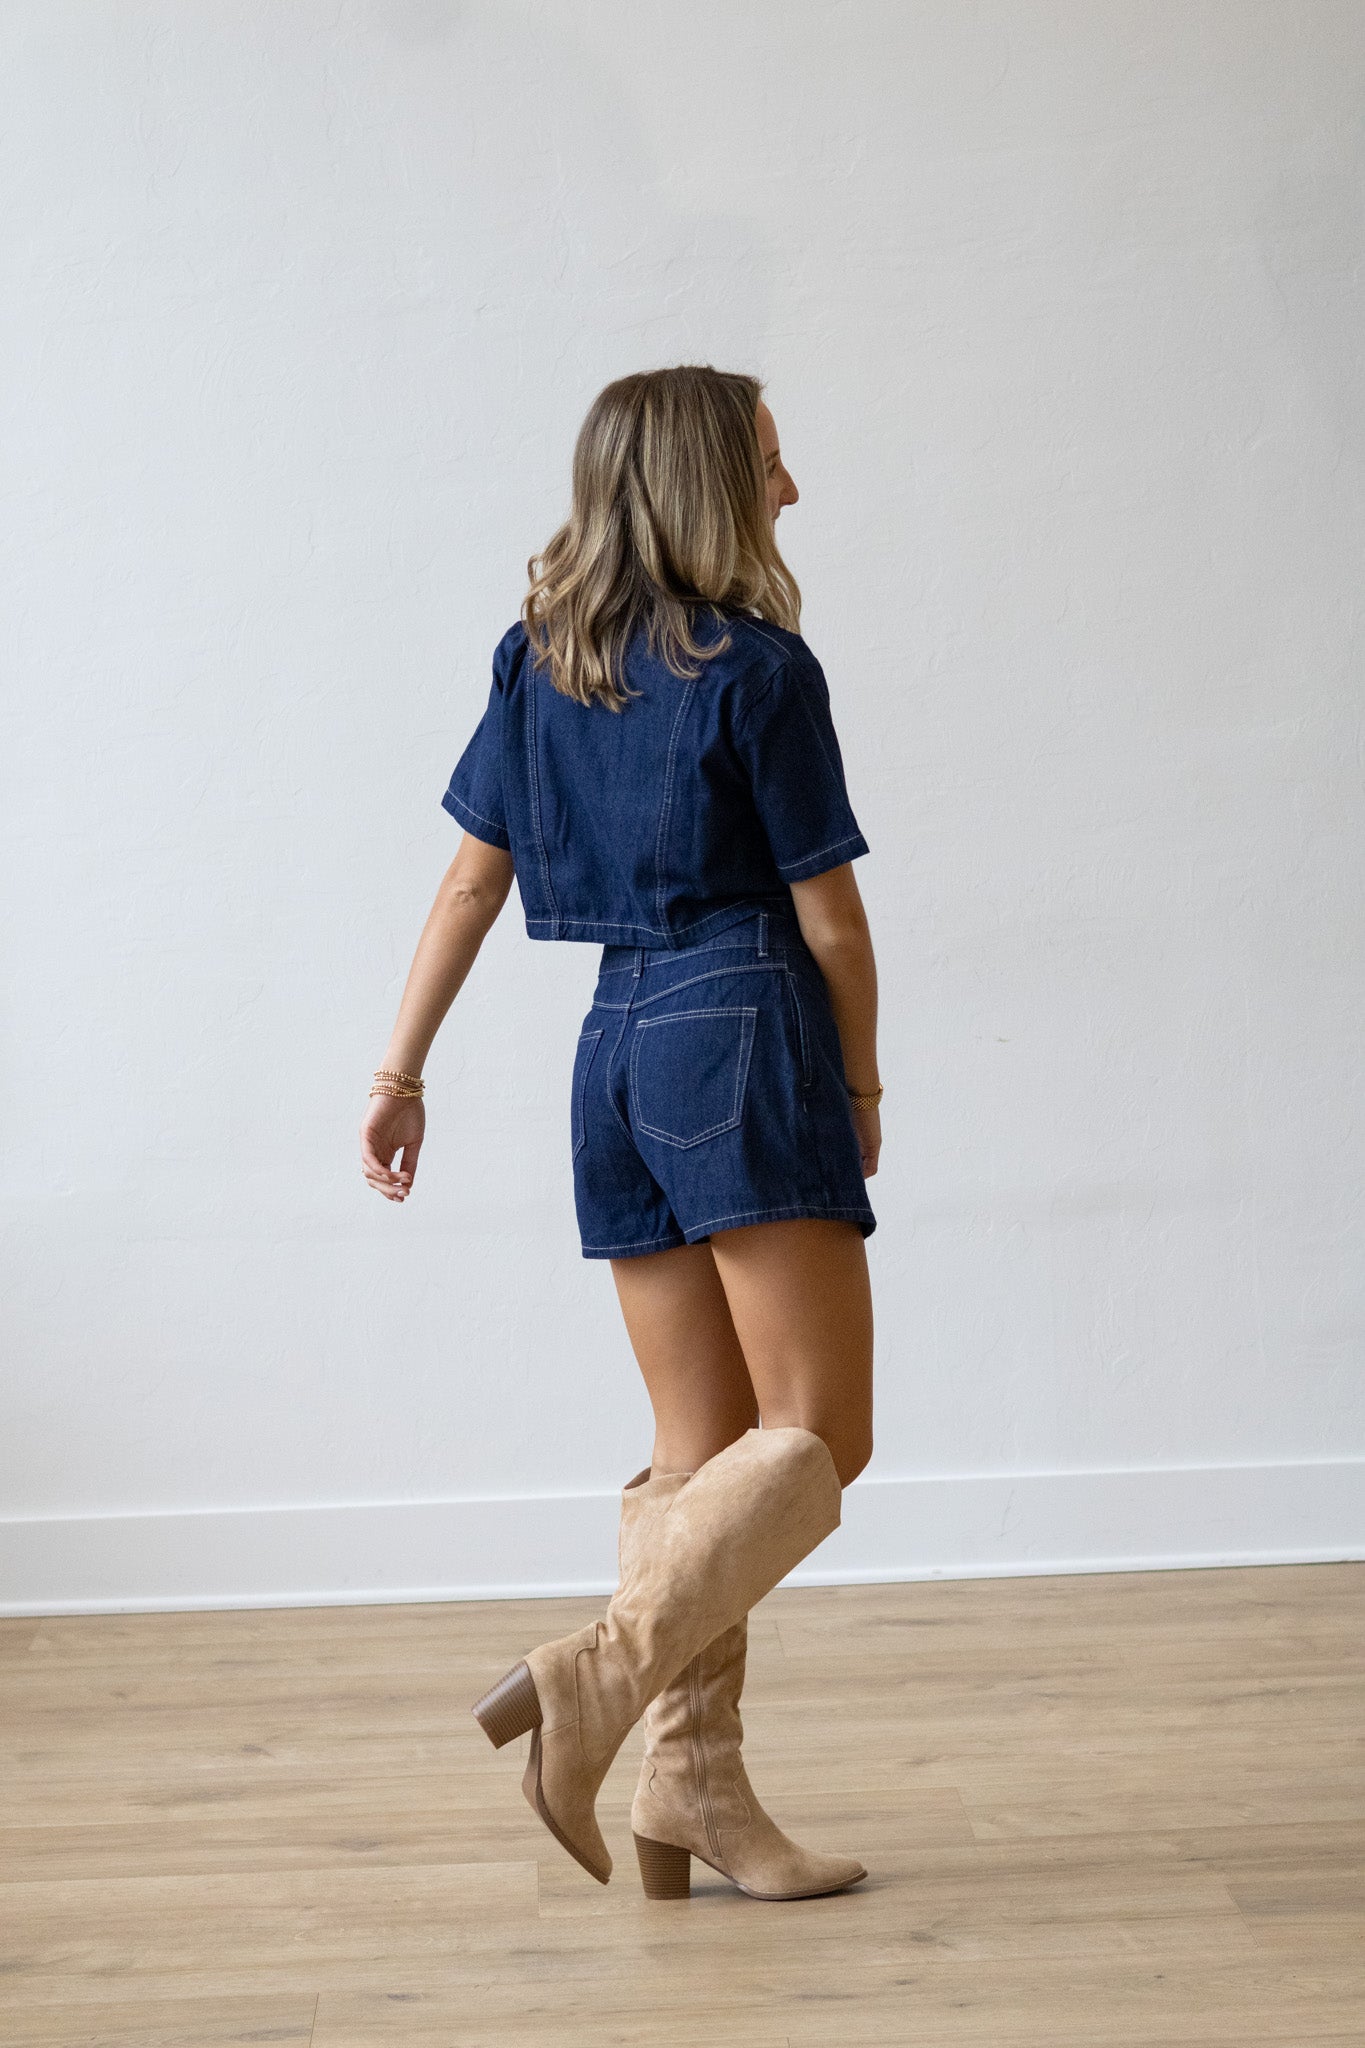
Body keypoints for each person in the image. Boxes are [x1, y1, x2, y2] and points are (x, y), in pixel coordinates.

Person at [360, 365, 881, 1903]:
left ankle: (691, 1793)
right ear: (706, 485)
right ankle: (594, 1675)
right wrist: (858, 1091)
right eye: (771, 468)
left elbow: (471, 881)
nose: (789, 494)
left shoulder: (542, 660)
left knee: (699, 1454)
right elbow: (832, 926)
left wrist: (400, 1068)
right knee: (819, 1438)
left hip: (609, 1050)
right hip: (738, 1019)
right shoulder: (761, 671)